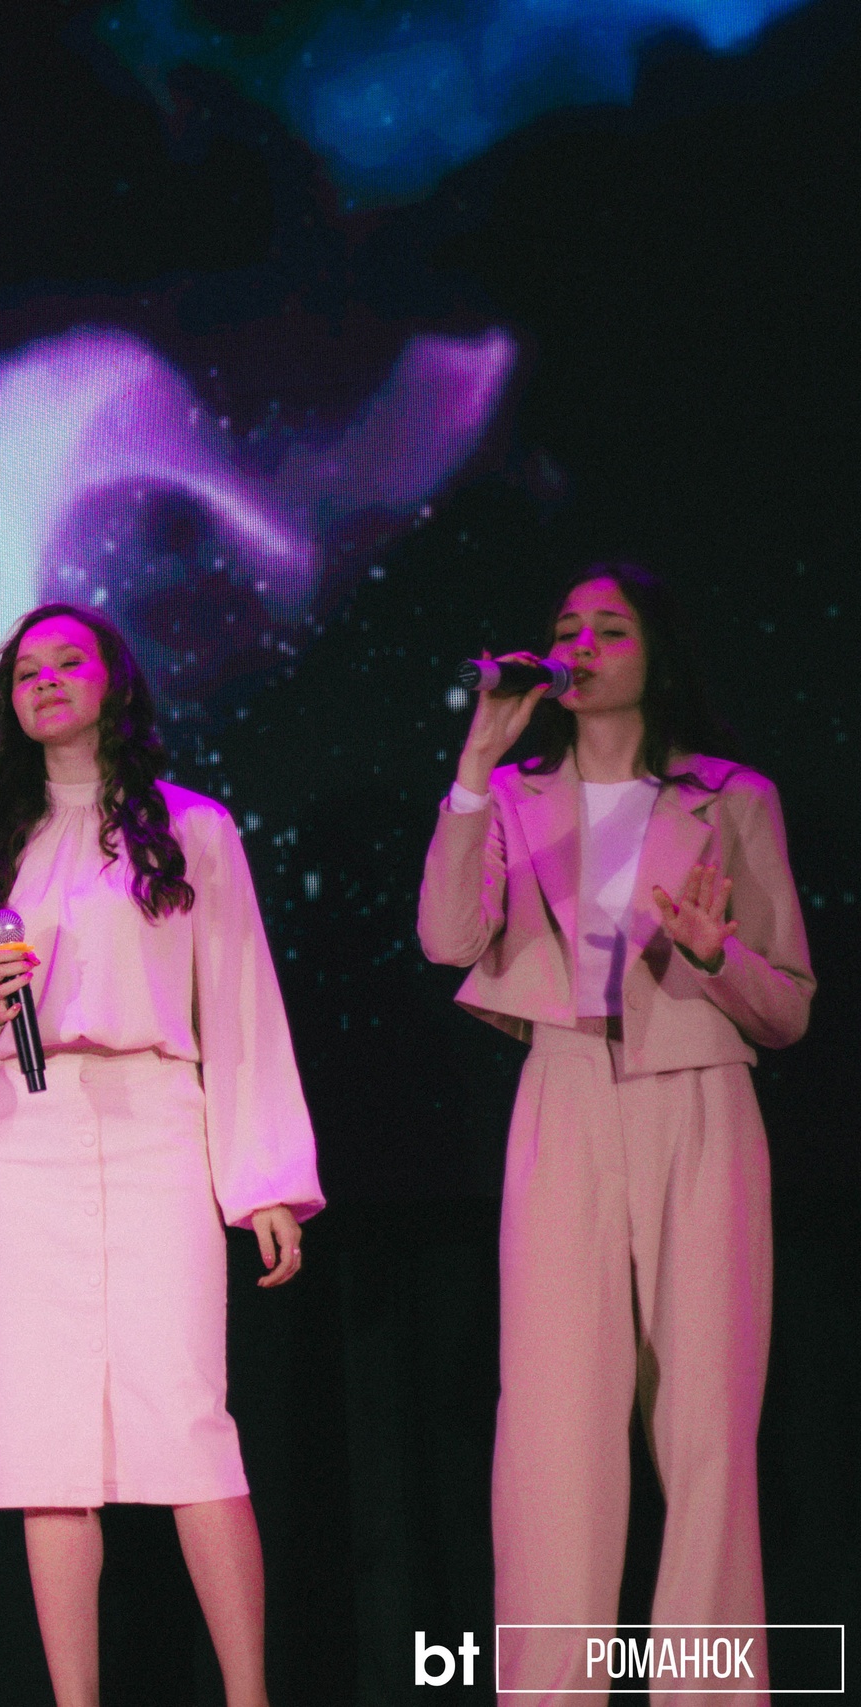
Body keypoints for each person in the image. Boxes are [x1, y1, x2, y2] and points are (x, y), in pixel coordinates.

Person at [419, 563, 811, 1698]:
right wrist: (474, 770)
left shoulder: (733, 796)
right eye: (566, 629)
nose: (581, 646)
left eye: (609, 628)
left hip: (700, 1094)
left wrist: (715, 956)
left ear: (656, 652)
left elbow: (787, 1006)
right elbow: (448, 939)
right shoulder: (513, 795)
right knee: (553, 1427)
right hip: (563, 1093)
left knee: (706, 1427)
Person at [0, 603, 320, 1707]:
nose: (45, 680)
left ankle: (249, 1694)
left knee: (186, 1418)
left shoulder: (193, 829)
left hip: (155, 1122)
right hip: (28, 1134)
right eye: (26, 670)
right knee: (44, 1438)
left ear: (114, 682)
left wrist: (263, 1182)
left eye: (69, 661)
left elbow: (240, 1003)